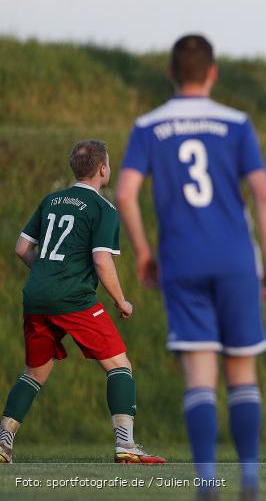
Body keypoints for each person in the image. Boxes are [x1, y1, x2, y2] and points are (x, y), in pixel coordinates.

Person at [116, 35, 266, 501]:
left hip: (182, 261)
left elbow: (125, 193)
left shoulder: (149, 126)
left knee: (199, 375)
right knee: (242, 373)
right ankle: (249, 482)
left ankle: (206, 484)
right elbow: (264, 196)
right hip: (234, 259)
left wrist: (146, 253)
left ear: (171, 73)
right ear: (212, 73)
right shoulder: (236, 123)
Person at [0, 140, 165, 465]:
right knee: (119, 366)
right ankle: (126, 445)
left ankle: (3, 442)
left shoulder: (51, 200)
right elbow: (102, 261)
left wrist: (48, 274)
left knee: (33, 373)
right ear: (103, 169)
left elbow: (22, 248)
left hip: (36, 296)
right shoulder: (102, 209)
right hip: (73, 299)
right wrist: (122, 300)